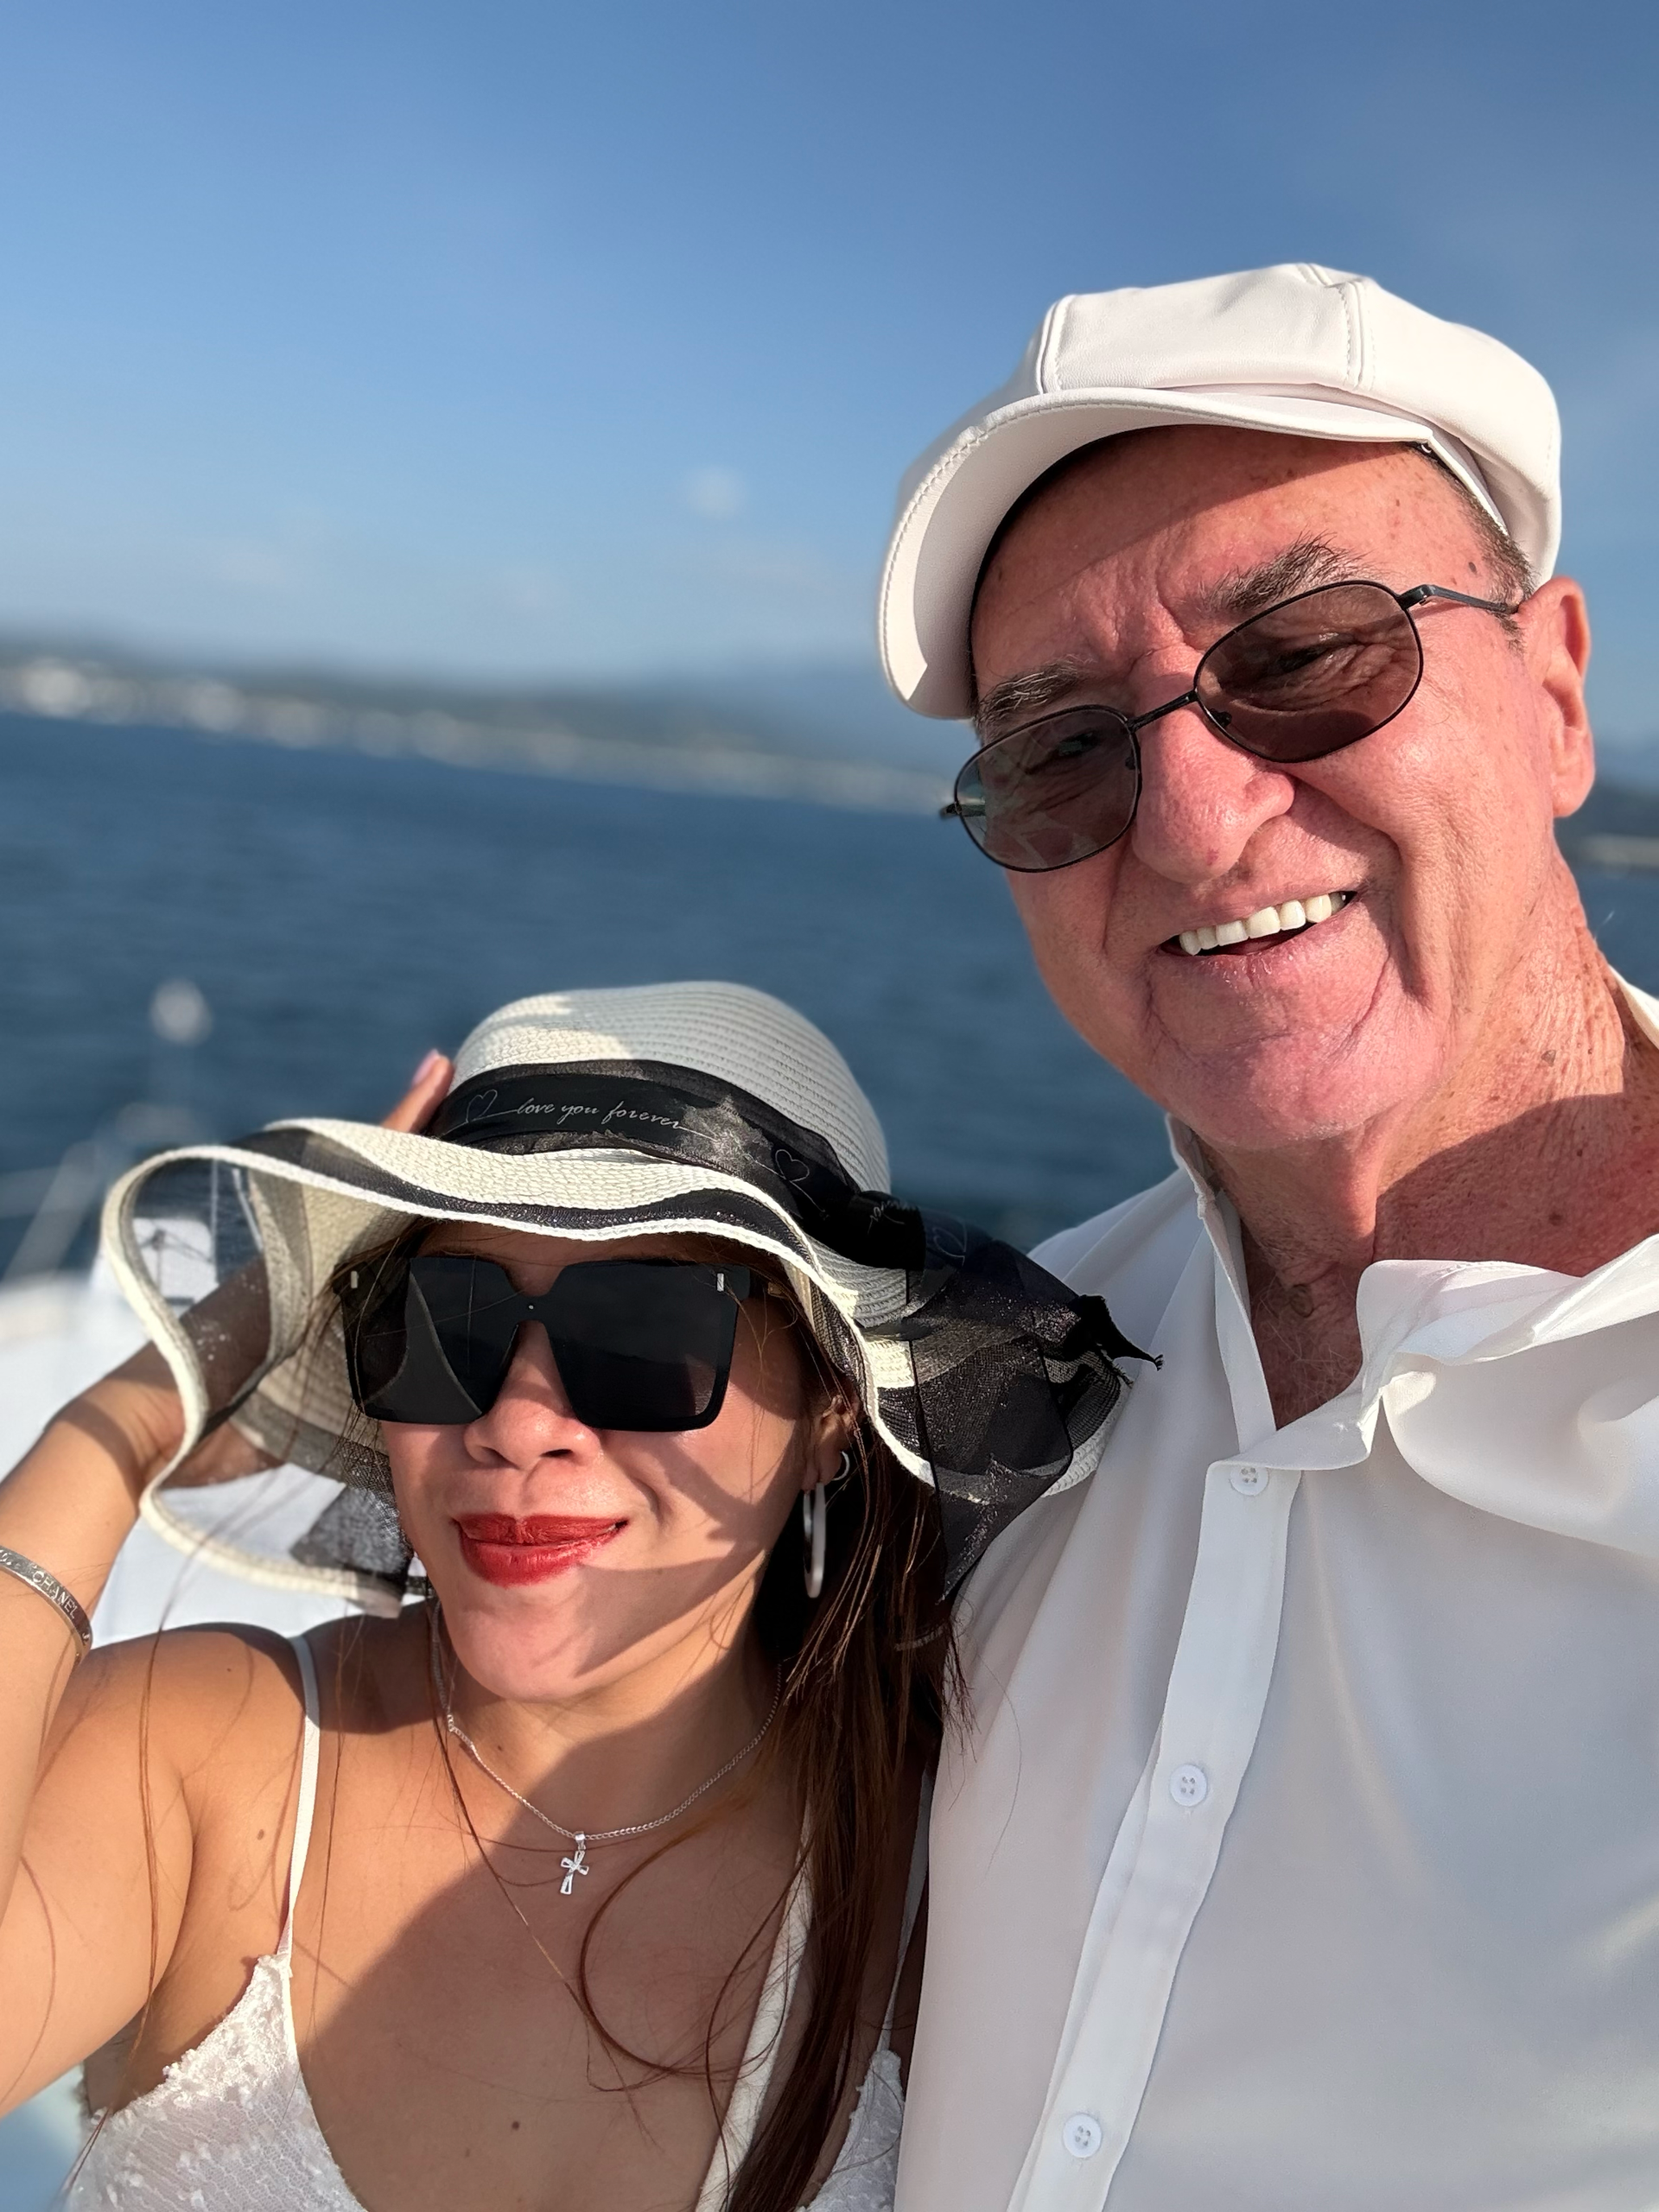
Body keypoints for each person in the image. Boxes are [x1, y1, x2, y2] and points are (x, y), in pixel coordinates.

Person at [877, 264, 1659, 2210]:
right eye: (1063, 749)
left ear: (1557, 694)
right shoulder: (987, 1394)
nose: (1195, 821)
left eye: (1306, 654)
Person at [0, 981, 1136, 2212]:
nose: (519, 1422)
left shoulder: (947, 1876)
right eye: (451, 1321)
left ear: (830, 1409)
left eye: (642, 1333)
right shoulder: (208, 1757)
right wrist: (114, 1435)